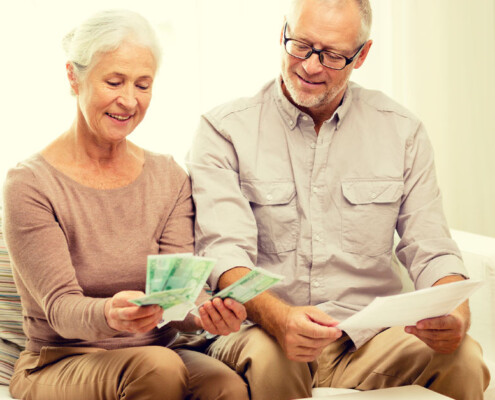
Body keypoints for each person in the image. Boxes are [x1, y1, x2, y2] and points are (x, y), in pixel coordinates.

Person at [186, 0, 491, 399]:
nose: (311, 66)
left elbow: (430, 246)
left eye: (332, 55)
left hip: (365, 339)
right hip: (261, 334)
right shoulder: (223, 130)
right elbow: (225, 255)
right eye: (300, 45)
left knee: (464, 358)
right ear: (282, 33)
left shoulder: (401, 131)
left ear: (362, 55)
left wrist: (455, 313)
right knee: (273, 357)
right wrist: (281, 319)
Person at [2, 9, 249, 400]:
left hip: (154, 353)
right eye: (114, 81)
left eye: (143, 84)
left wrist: (205, 312)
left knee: (227, 386)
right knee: (160, 368)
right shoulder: (30, 183)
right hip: (60, 359)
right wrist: (109, 314)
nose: (129, 100)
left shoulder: (167, 176)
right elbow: (60, 309)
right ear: (73, 77)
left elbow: (176, 294)